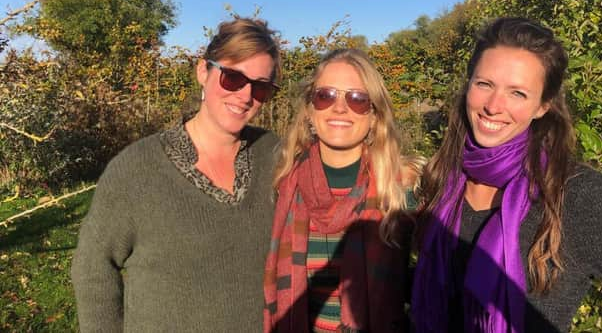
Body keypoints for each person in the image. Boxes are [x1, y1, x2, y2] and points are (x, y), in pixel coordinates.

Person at [411, 17, 602, 332]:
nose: (493, 106)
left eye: (517, 93)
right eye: (484, 84)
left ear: (543, 106)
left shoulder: (576, 194)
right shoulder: (444, 179)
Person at [72, 18, 282, 332]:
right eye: (233, 78)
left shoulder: (275, 155)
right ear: (203, 71)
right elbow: (93, 267)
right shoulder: (138, 169)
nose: (245, 95)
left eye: (261, 86)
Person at [263, 48, 424, 333]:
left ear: (375, 115)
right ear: (310, 110)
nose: (340, 108)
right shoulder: (283, 185)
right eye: (326, 96)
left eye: (357, 99)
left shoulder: (402, 187)